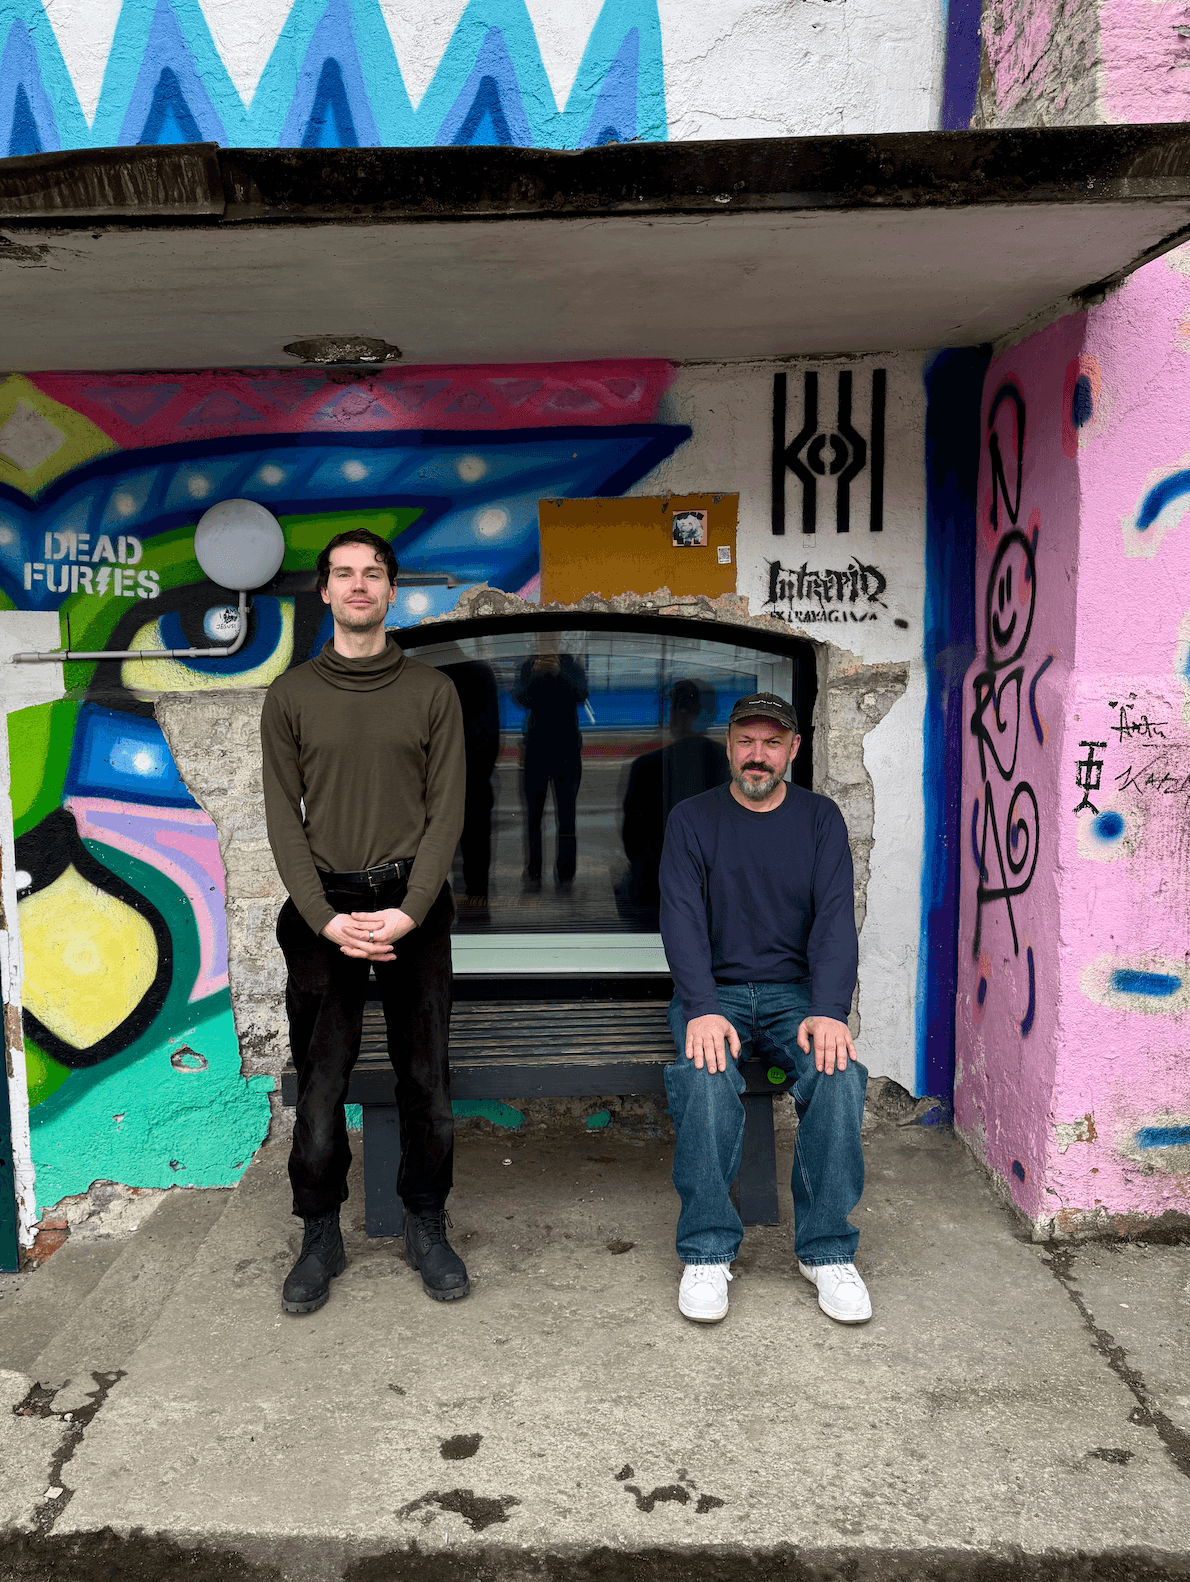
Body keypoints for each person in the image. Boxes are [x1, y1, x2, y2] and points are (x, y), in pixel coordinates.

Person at [261, 528, 468, 1314]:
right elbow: (282, 818)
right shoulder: (291, 696)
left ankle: (426, 1222)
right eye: (343, 574)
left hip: (413, 906)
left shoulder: (431, 692)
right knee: (321, 1087)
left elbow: (447, 811)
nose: (357, 585)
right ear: (325, 591)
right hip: (324, 911)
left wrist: (410, 912)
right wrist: (324, 918)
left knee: (428, 1081)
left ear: (391, 590)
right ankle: (320, 1234)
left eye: (372, 573)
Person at [658, 692, 869, 1326]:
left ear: (793, 749)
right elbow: (681, 919)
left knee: (838, 1075)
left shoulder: (820, 819)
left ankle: (827, 1251)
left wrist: (829, 1009)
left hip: (794, 996)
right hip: (714, 993)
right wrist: (700, 1006)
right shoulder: (692, 819)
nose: (758, 755)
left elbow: (836, 920)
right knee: (704, 1075)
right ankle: (707, 1250)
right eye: (746, 741)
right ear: (728, 747)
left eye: (772, 743)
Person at [617, 679, 730, 923]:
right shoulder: (728, 763)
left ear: (679, 714)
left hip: (654, 893)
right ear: (710, 715)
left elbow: (633, 841)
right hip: (716, 896)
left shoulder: (647, 765)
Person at [514, 633, 588, 886]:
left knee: (566, 817)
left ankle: (565, 873)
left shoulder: (570, 665)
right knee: (533, 818)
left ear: (557, 641)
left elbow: (581, 694)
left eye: (550, 639)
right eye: (542, 639)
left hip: (566, 752)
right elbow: (520, 698)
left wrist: (559, 673)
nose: (546, 643)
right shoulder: (529, 666)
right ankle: (534, 870)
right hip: (537, 751)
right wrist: (535, 676)